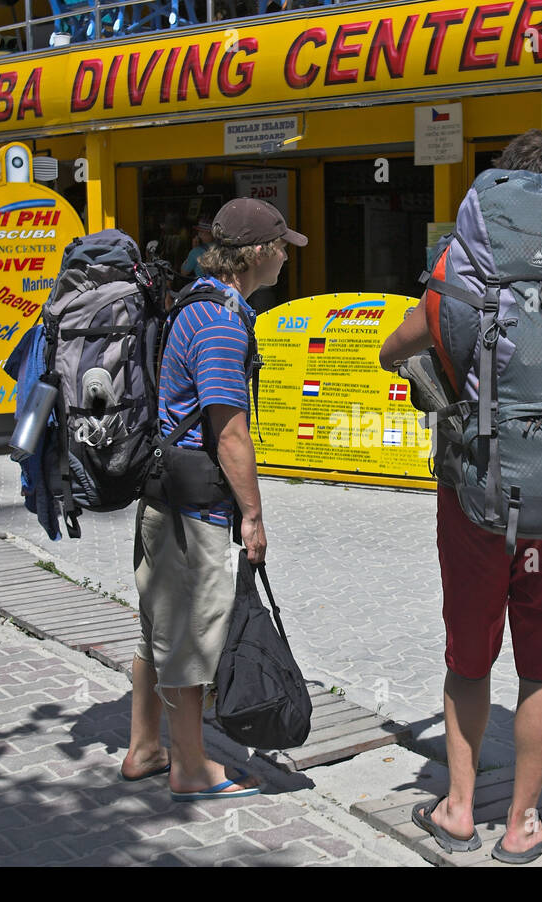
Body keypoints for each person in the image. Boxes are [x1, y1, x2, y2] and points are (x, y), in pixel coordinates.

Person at [379, 129, 542, 863]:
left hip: (476, 491)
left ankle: (457, 809)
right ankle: (522, 824)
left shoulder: (466, 260)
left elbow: (400, 345)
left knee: (470, 656)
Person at [121, 198, 307, 799]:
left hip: (163, 499)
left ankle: (146, 748)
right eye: (281, 245)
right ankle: (192, 768)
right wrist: (252, 513)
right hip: (191, 509)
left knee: (159, 631)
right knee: (192, 639)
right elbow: (229, 432)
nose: (286, 256)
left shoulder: (193, 302)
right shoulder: (223, 324)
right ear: (255, 254)